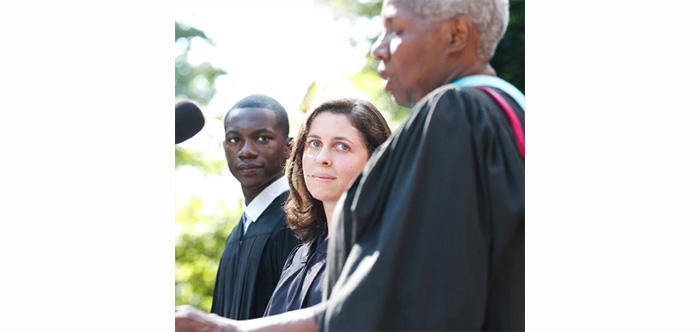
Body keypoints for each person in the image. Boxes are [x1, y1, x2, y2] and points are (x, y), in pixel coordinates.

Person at [176, 0, 524, 330]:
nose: (379, 47)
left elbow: (398, 300)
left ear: (456, 34)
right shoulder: (508, 110)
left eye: (395, 29)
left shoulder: (456, 112)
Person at [263, 99, 391, 316]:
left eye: (342, 146)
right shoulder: (299, 256)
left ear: (375, 160)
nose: (322, 158)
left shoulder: (382, 253)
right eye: (314, 143)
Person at [210, 94, 299, 320]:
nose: (245, 151)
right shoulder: (241, 229)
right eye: (234, 140)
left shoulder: (297, 222)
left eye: (262, 138)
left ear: (289, 147)